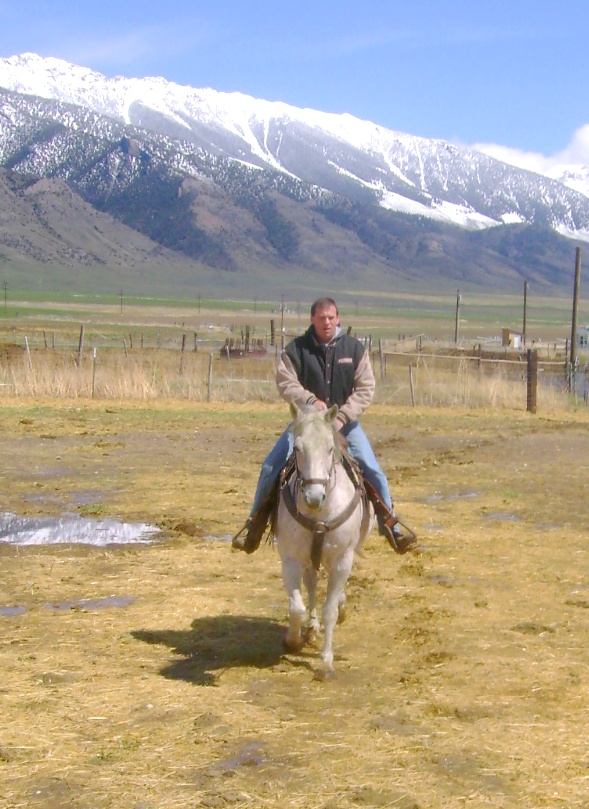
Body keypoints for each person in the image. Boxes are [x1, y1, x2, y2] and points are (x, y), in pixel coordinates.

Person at [232, 296, 416, 555]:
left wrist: (342, 416)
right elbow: (285, 381)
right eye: (321, 318)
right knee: (271, 465)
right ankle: (254, 525)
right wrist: (308, 401)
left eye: (331, 318)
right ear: (312, 319)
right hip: (307, 424)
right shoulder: (296, 350)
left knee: (373, 469)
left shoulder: (354, 350)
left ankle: (391, 525)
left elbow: (366, 388)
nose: (326, 322)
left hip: (344, 425)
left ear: (338, 318)